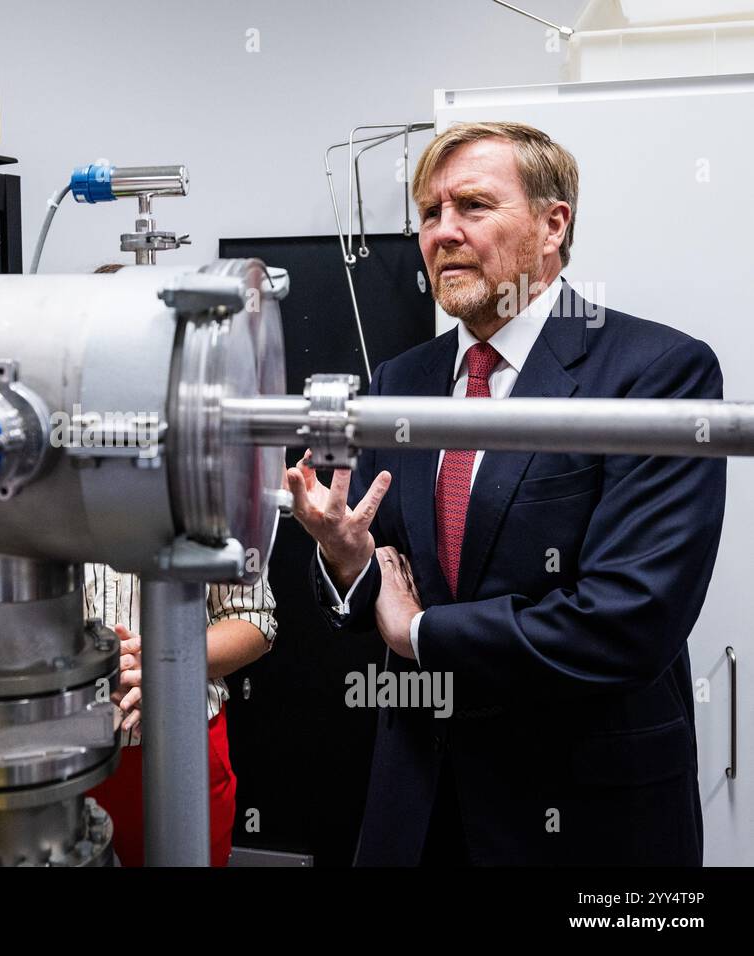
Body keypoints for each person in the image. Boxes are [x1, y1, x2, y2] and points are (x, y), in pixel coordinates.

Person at [287, 121, 724, 865]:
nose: (443, 232)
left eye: (473, 206)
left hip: (583, 814)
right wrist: (345, 557)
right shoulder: (404, 381)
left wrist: (421, 635)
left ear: (554, 224)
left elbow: (628, 619)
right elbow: (380, 580)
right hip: (420, 806)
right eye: (429, 213)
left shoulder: (654, 374)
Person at [82, 565, 276, 866]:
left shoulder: (221, 514)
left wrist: (169, 664)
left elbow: (253, 620)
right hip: (63, 750)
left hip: (185, 749)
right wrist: (91, 675)